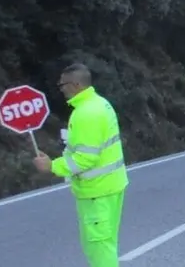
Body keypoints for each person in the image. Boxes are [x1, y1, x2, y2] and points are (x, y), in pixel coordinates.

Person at [33, 63, 129, 267]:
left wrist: (52, 166)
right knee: (105, 244)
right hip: (110, 186)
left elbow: (85, 158)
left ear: (76, 84)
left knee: (99, 248)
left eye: (63, 84)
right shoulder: (100, 103)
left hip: (97, 191)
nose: (61, 88)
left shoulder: (86, 113)